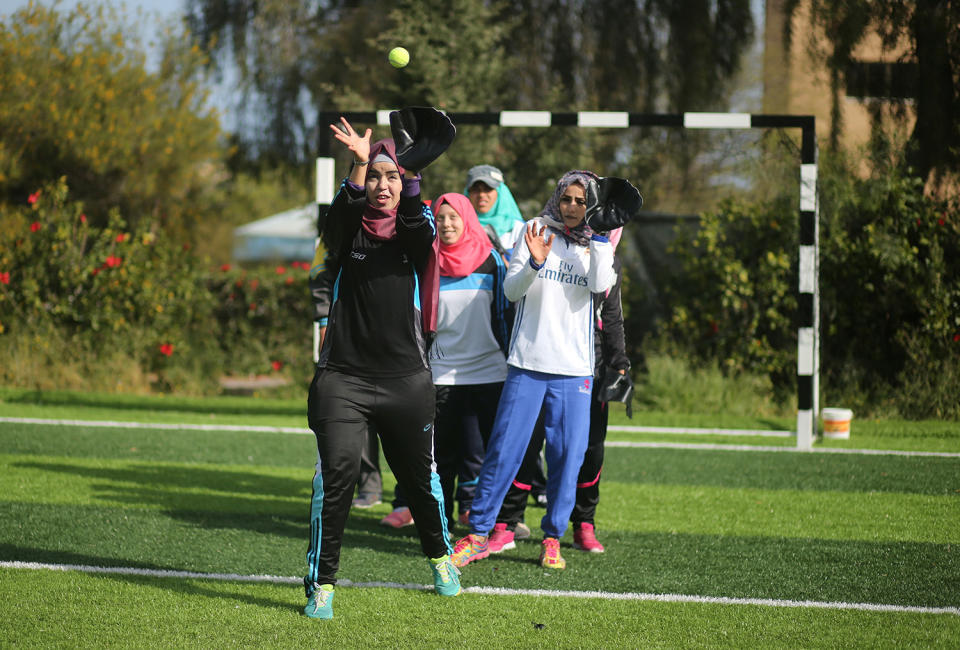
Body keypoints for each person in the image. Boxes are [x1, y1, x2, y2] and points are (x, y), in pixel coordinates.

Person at [302, 117, 459, 620]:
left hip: (406, 380)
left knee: (417, 481)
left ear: (407, 183)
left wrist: (409, 174)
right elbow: (335, 225)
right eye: (376, 176)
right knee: (338, 475)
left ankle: (439, 555)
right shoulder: (349, 229)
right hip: (342, 378)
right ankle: (322, 584)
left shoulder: (421, 222)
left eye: (392, 177)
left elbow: (416, 234)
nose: (382, 185)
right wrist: (358, 160)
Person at [451, 170, 617, 571]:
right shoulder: (534, 229)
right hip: (526, 365)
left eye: (581, 201)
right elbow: (511, 292)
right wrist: (534, 265)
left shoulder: (599, 242)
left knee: (567, 457)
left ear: (591, 204)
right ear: (557, 198)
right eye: (567, 199)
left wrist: (598, 242)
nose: (573, 207)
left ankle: (553, 537)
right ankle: (477, 534)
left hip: (575, 370)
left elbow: (600, 287)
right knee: (503, 453)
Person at [489, 229, 631, 555]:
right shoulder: (550, 247)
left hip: (588, 369)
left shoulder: (608, 257)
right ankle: (506, 523)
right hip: (540, 363)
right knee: (525, 445)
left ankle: (584, 523)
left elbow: (611, 315)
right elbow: (520, 301)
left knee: (588, 450)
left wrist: (619, 361)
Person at [429, 192, 511, 530]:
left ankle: (491, 523)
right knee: (441, 460)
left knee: (487, 457)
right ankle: (440, 525)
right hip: (441, 375)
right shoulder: (428, 261)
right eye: (440, 218)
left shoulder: (493, 262)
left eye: (453, 218)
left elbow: (505, 316)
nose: (447, 225)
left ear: (467, 220)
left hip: (490, 373)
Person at [309, 248, 382, 510]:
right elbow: (320, 271)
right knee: (349, 406)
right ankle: (366, 483)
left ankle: (407, 498)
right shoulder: (343, 220)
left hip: (397, 333)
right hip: (348, 332)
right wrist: (325, 318)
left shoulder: (408, 218)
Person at [465, 164, 527, 260]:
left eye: (488, 189)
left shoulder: (519, 229)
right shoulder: (458, 228)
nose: (481, 194)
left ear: (501, 192)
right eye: (475, 189)